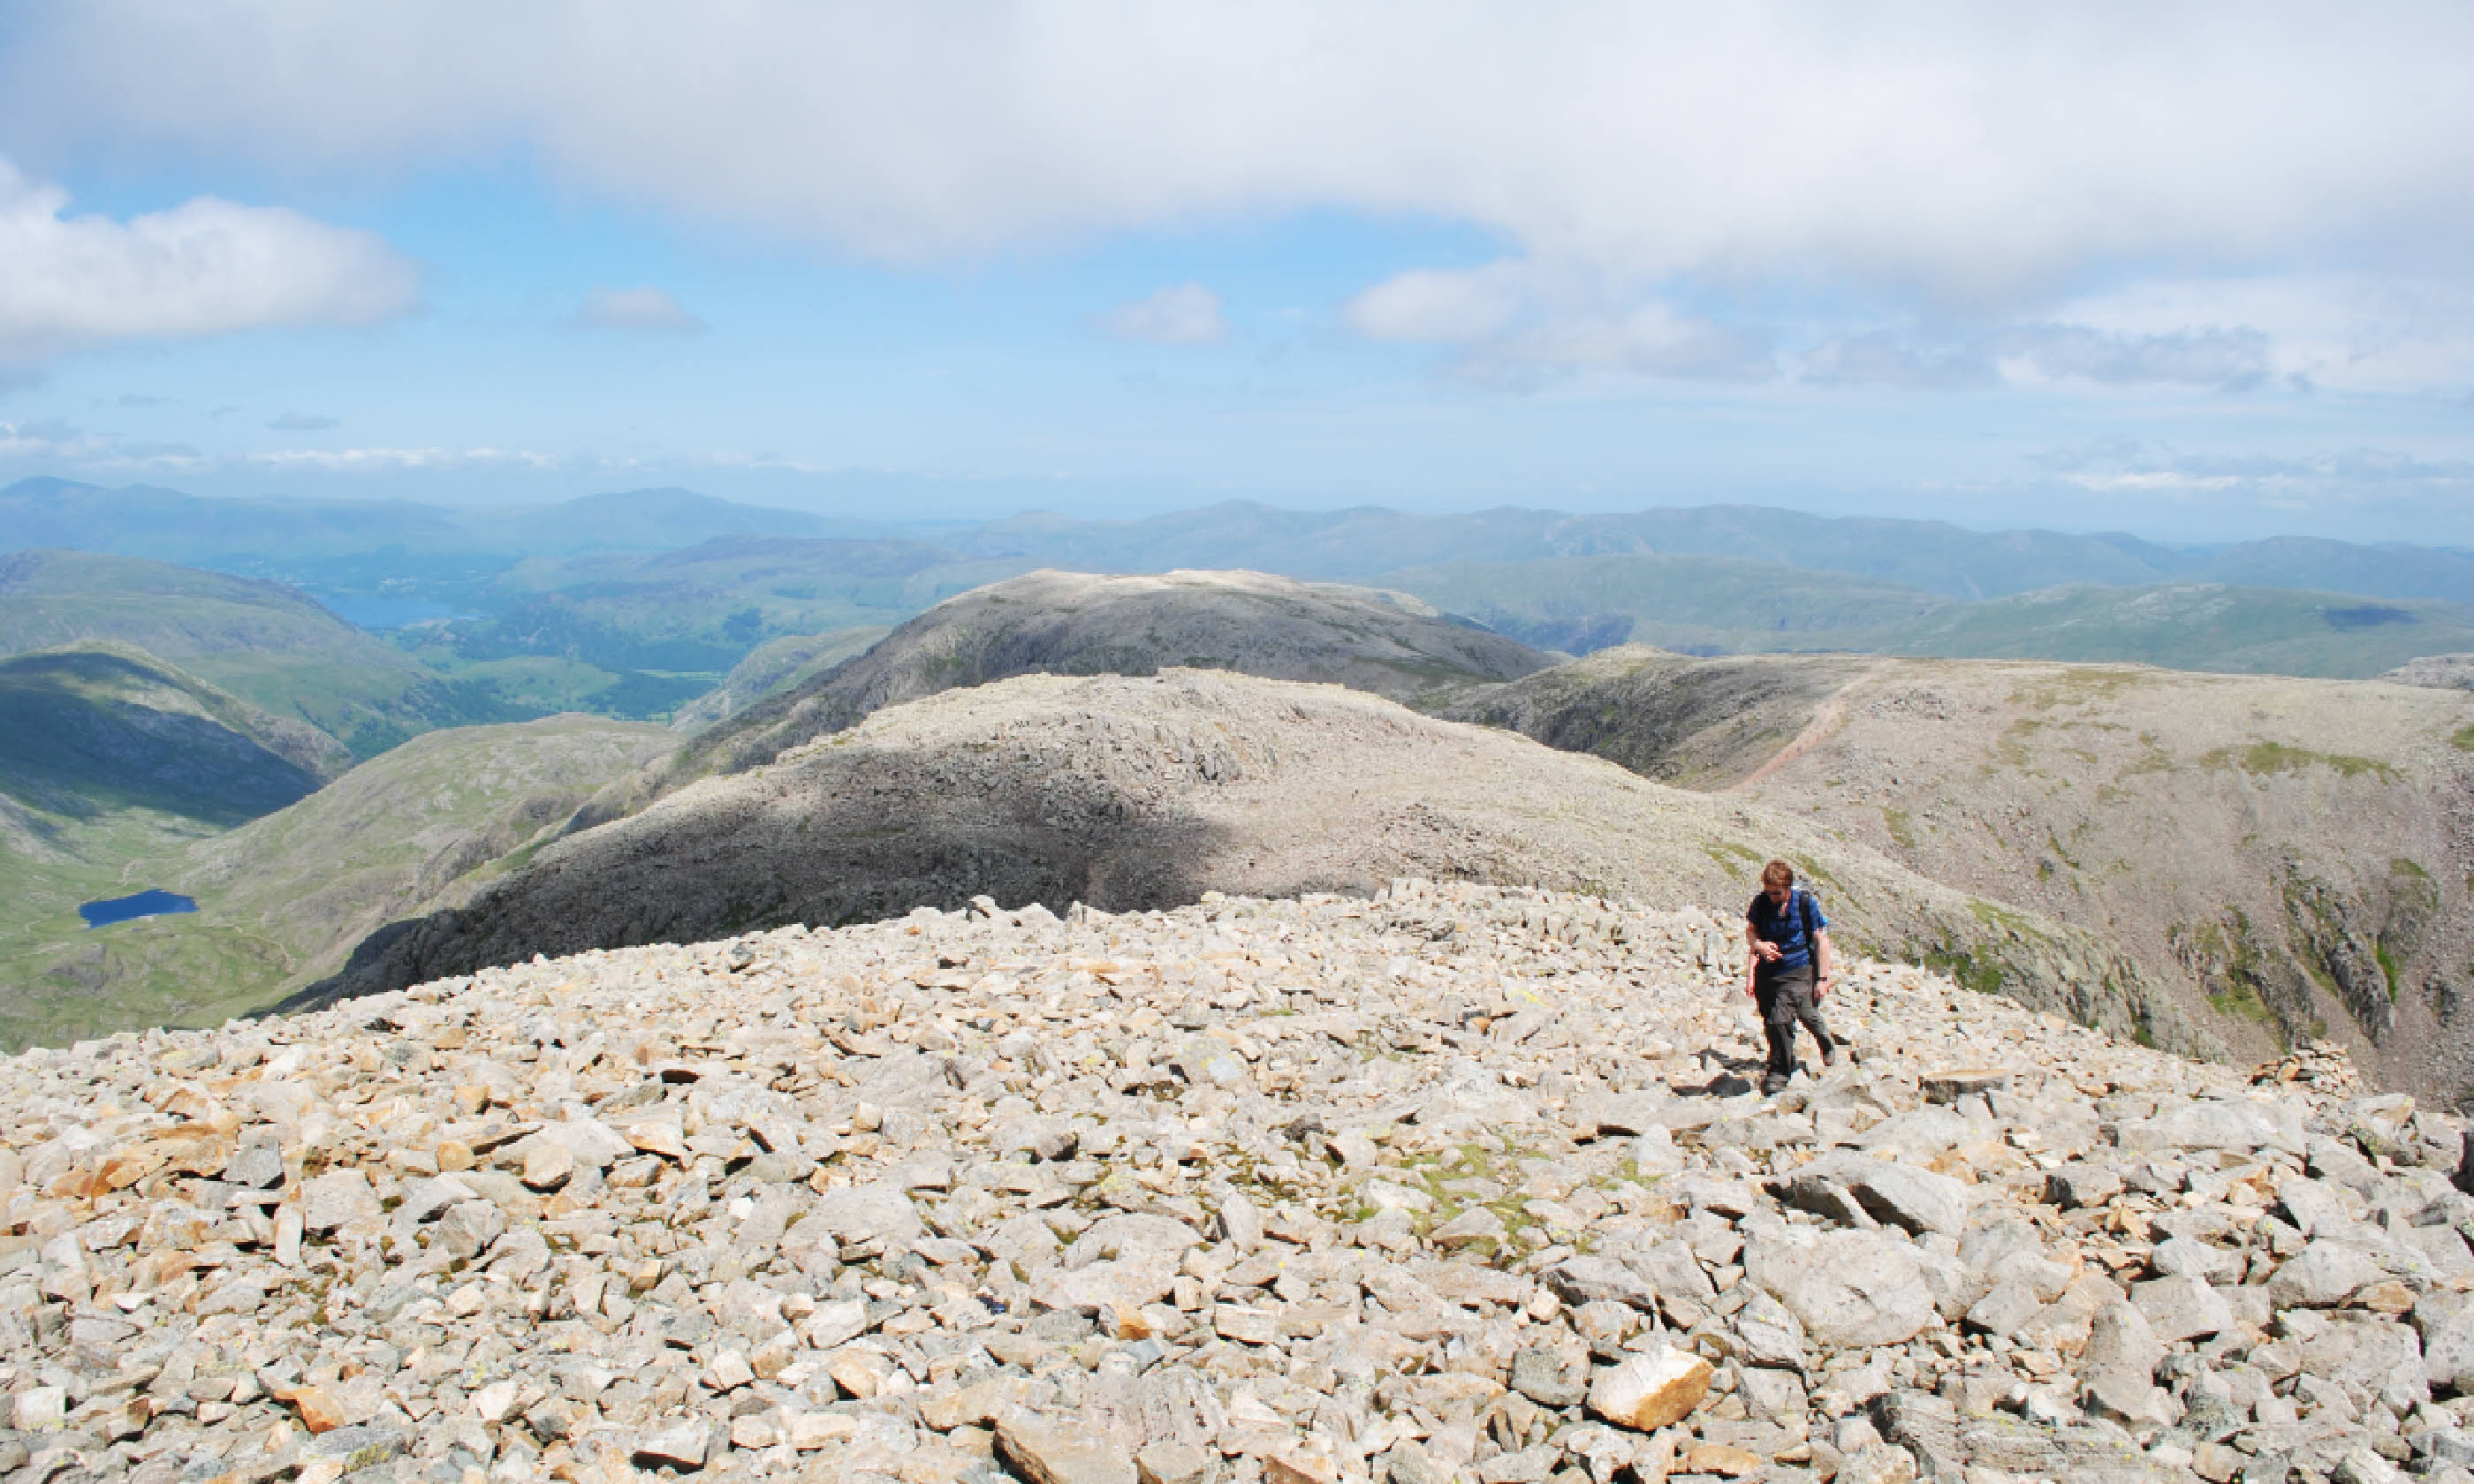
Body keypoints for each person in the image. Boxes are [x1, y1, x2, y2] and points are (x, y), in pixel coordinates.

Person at [1744, 859, 1837, 1094]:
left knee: (1785, 1018)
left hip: (1798, 969)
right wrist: (1759, 947)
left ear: (1788, 887)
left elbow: (1820, 939)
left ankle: (1781, 1070)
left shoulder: (1805, 903)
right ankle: (1784, 1056)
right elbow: (1752, 932)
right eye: (1768, 892)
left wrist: (1823, 979)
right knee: (1771, 1020)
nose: (1772, 897)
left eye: (1776, 893)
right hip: (1768, 972)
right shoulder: (1761, 903)